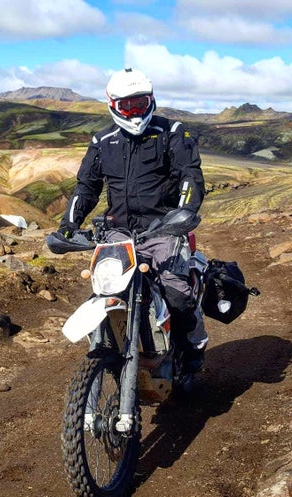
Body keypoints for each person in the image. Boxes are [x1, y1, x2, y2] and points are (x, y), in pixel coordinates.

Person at [56, 68, 208, 371]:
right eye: (128, 106)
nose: (135, 111)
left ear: (151, 100)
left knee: (176, 293)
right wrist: (68, 226)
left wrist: (185, 212)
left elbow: (191, 176)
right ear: (113, 105)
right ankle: (114, 349)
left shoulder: (173, 133)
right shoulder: (103, 141)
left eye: (140, 103)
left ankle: (193, 348)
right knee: (106, 288)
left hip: (164, 229)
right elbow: (87, 186)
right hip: (118, 233)